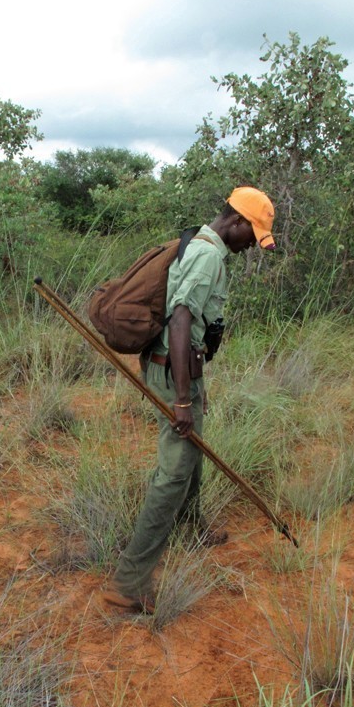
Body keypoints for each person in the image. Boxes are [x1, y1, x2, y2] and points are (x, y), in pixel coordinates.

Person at [104, 186, 276, 614]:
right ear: (235, 221)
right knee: (175, 470)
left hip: (181, 367)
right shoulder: (208, 256)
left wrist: (195, 389)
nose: (250, 245)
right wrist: (183, 397)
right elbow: (181, 321)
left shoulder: (200, 243)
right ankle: (129, 581)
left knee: (193, 448)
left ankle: (191, 527)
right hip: (172, 368)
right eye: (251, 235)